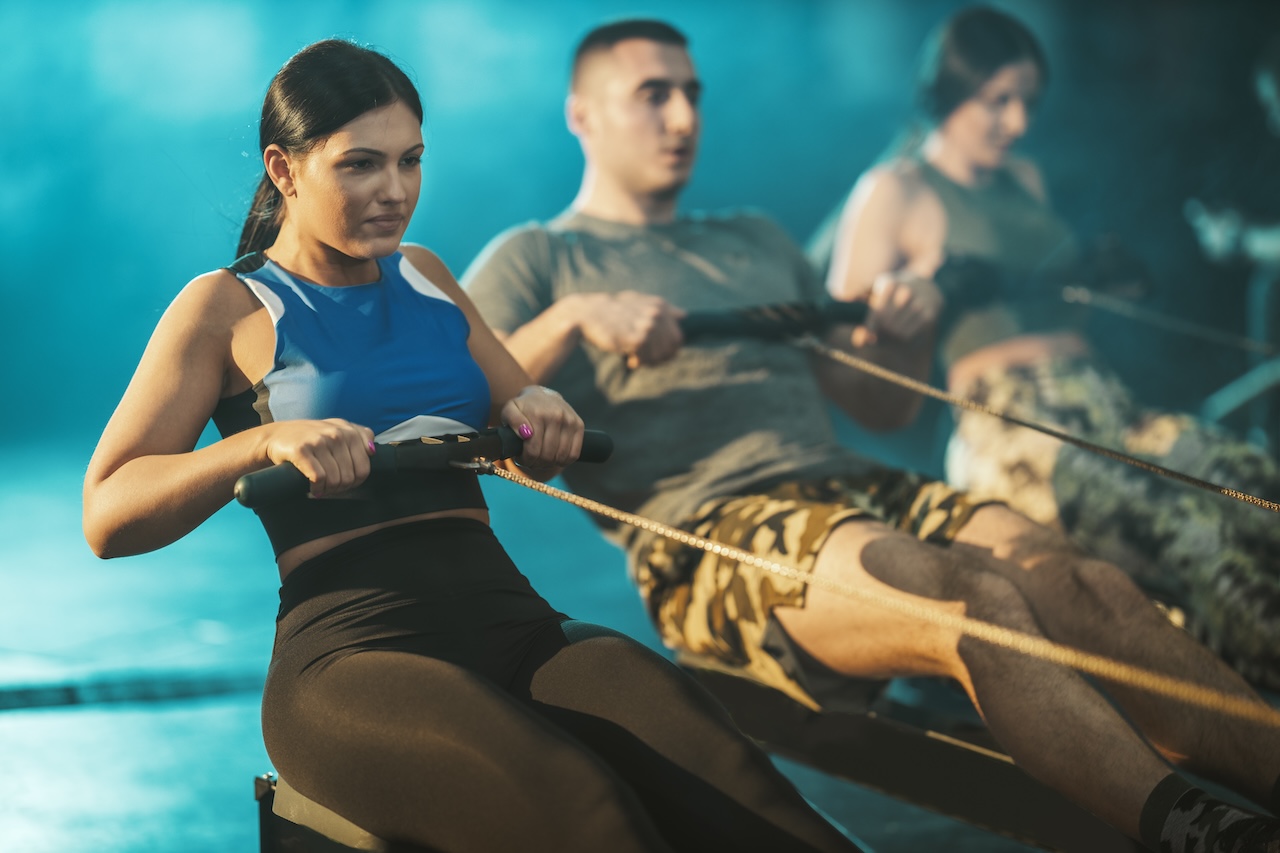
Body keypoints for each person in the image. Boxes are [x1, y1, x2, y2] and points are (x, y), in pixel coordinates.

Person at [463, 17, 1280, 853]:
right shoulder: (539, 258)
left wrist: (905, 329)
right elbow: (464, 408)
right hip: (713, 531)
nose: (682, 119)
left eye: (692, 95)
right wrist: (571, 319)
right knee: (977, 602)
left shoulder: (755, 237)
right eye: (653, 95)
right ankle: (1208, 831)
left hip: (853, 482)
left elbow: (875, 405)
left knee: (1086, 583)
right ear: (581, 114)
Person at [80, 39, 866, 853]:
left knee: (755, 798)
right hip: (353, 652)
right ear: (284, 169)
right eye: (360, 166)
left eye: (410, 161)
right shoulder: (226, 306)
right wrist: (265, 443)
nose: (394, 192)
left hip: (511, 619)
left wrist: (539, 407)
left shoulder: (425, 274)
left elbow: (530, 440)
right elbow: (108, 514)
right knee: (589, 814)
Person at [814, 5, 1280, 693]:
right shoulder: (895, 190)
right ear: (950, 90)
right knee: (1193, 529)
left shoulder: (1024, 179)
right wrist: (904, 307)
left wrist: (1104, 277)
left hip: (1103, 401)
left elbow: (1065, 306)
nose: (1017, 122)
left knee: (1257, 487)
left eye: (1027, 102)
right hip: (1017, 428)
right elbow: (841, 354)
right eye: (997, 101)